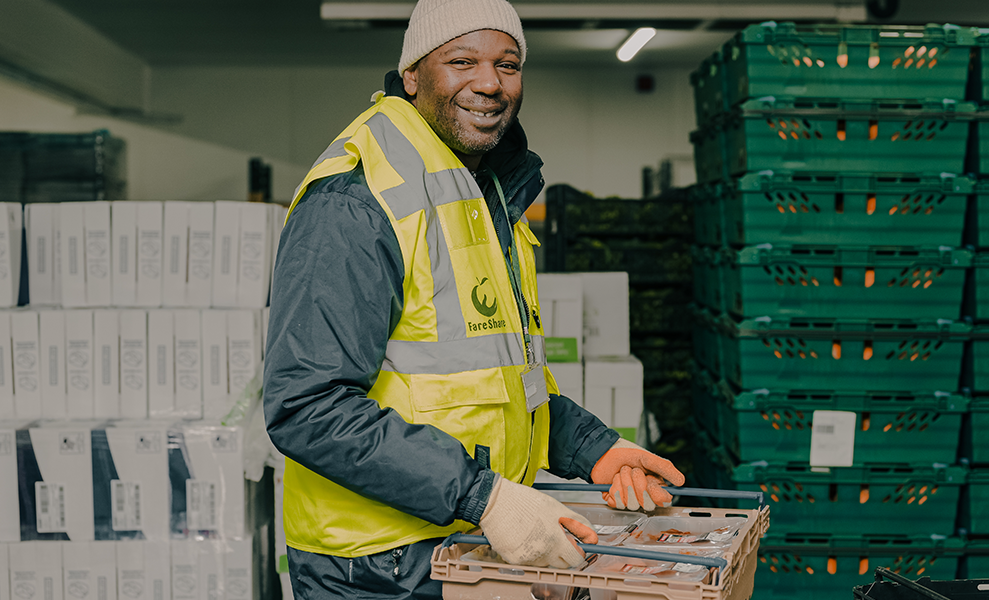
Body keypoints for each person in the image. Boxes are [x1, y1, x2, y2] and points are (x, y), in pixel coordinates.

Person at [263, 0, 685, 596]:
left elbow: (502, 378)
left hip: (459, 547)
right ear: (412, 75)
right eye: (462, 60)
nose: (489, 83)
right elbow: (306, 406)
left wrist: (595, 450)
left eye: (507, 64)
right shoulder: (357, 199)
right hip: (375, 568)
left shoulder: (483, 187)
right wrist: (483, 495)